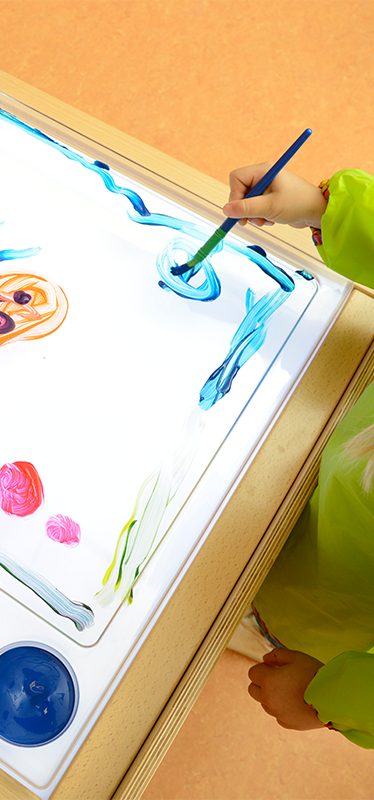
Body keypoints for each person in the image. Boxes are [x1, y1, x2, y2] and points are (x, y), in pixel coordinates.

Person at [223, 166, 374, 746]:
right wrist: (323, 208)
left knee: (255, 613)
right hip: (327, 439)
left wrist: (325, 699)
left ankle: (249, 627)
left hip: (329, 605)